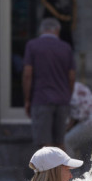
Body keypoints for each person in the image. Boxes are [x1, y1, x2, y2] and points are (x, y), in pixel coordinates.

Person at [23, 18, 76, 151]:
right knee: (60, 143)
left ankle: (49, 172)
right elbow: (71, 76)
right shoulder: (66, 47)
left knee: (44, 145)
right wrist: (67, 96)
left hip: (42, 99)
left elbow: (27, 74)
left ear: (41, 30)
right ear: (57, 30)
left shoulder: (33, 45)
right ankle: (60, 172)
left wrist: (27, 99)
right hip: (62, 100)